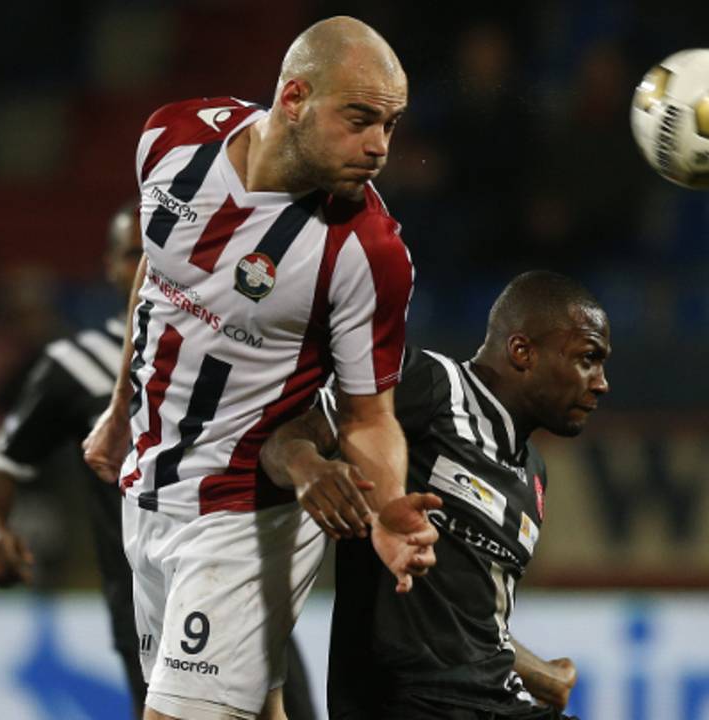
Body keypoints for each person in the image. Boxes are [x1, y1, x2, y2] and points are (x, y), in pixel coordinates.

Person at [81, 16, 440, 720]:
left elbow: (371, 416)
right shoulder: (172, 140)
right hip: (153, 489)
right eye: (361, 120)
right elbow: (156, 273)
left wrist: (389, 508)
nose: (379, 148)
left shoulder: (369, 251)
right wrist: (122, 407)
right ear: (295, 97)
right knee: (256, 706)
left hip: (248, 513)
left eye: (391, 126)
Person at [261, 271, 611, 719]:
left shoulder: (533, 473)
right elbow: (282, 443)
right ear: (522, 351)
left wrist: (543, 673)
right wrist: (308, 470)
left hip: (494, 705)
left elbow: (467, 623)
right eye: (588, 358)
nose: (601, 382)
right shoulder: (430, 383)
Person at [0, 202, 149, 717]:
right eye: (133, 254)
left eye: (157, 253)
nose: (146, 268)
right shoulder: (76, 366)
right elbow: (1, 465)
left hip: (245, 588)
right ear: (109, 266)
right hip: (143, 611)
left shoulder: (239, 349)